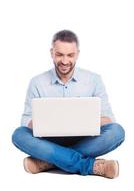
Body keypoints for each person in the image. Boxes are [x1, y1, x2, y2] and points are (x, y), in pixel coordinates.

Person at [12, 30, 125, 178]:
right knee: (19, 134)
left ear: (77, 54)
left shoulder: (94, 80)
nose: (65, 61)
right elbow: (26, 120)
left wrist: (81, 123)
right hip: (48, 140)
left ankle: (48, 161)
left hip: (85, 139)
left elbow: (108, 119)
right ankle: (90, 166)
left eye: (70, 55)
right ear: (52, 53)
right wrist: (50, 124)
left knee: (117, 132)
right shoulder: (37, 82)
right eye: (59, 54)